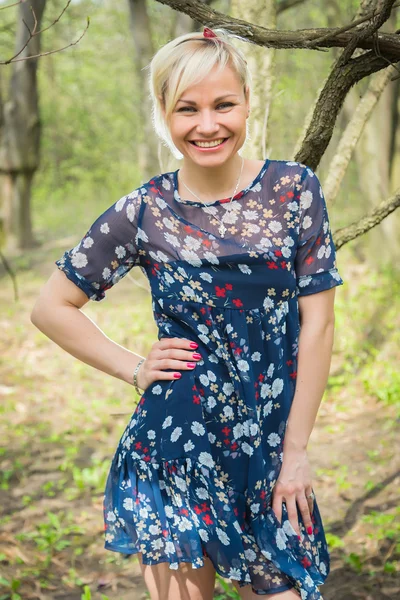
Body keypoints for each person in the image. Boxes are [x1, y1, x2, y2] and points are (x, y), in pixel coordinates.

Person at [30, 27, 344, 600]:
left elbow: (319, 325)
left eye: (224, 104)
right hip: (175, 450)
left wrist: (296, 451)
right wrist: (133, 367)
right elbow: (52, 306)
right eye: (187, 109)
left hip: (271, 450)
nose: (207, 124)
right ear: (164, 115)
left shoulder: (294, 191)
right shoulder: (144, 210)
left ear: (249, 101)